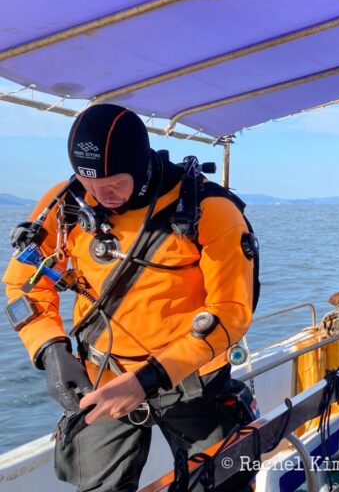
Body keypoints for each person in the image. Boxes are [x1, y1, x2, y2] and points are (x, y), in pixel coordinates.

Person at [3, 103, 259, 491]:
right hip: (103, 383)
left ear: (140, 166)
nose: (99, 195)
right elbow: (24, 284)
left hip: (192, 383)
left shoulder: (210, 210)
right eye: (88, 182)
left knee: (221, 482)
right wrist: (50, 351)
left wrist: (149, 378)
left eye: (114, 184)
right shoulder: (67, 202)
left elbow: (231, 312)